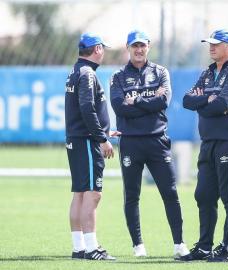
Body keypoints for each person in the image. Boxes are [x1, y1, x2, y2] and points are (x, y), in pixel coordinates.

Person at [109, 29, 190, 259]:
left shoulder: (160, 72)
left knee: (170, 192)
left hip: (157, 141)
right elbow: (119, 107)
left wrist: (136, 100)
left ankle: (179, 244)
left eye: (142, 45)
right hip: (131, 143)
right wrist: (149, 100)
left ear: (148, 47)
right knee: (132, 195)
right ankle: (138, 246)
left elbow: (163, 102)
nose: (139, 49)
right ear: (128, 48)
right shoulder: (117, 77)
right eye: (134, 46)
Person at [179, 29, 228, 263]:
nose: (211, 47)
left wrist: (207, 102)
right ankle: (204, 247)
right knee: (203, 195)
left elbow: (221, 104)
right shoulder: (208, 72)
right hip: (209, 140)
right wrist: (206, 101)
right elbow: (187, 100)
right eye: (209, 43)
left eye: (216, 44)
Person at [65, 33, 116, 261]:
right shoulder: (87, 73)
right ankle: (92, 248)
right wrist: (102, 138)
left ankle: (79, 248)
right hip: (86, 141)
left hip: (77, 139)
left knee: (79, 193)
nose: (103, 52)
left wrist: (105, 131)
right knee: (93, 194)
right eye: (102, 48)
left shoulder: (76, 71)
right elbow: (86, 107)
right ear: (97, 49)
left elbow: (82, 109)